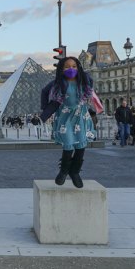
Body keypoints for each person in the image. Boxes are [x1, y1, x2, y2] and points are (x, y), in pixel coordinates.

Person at [41, 57, 95, 188]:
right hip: (65, 118)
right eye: (67, 67)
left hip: (81, 117)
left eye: (74, 66)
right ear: (61, 69)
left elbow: (91, 92)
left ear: (78, 68)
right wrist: (43, 114)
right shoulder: (57, 84)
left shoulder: (84, 81)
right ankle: (64, 171)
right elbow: (46, 94)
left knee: (81, 146)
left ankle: (75, 172)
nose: (71, 69)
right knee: (68, 145)